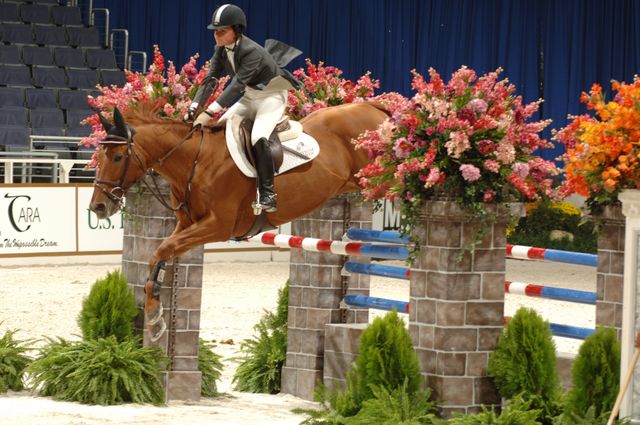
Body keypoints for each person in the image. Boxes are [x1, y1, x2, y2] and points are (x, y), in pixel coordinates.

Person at [185, 4, 301, 213]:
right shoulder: (220, 50)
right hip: (251, 96)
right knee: (221, 128)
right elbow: (211, 78)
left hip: (271, 97)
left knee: (258, 137)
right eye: (216, 32)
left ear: (236, 30)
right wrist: (194, 106)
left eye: (222, 31)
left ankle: (268, 193)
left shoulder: (252, 51)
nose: (217, 36)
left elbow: (237, 84)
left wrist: (210, 111)